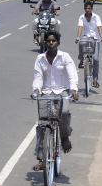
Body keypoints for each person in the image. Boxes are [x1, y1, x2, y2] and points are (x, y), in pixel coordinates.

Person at [31, 31, 78, 171]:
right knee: (42, 125)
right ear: (45, 42)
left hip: (62, 91)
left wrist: (74, 89)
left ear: (58, 42)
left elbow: (72, 74)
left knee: (63, 113)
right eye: (49, 41)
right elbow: (38, 77)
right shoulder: (40, 59)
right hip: (46, 93)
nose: (51, 43)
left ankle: (64, 137)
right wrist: (36, 90)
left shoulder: (65, 57)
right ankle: (41, 158)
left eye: (54, 41)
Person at [75, 2, 102, 88]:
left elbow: (99, 27)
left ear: (92, 9)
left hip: (96, 39)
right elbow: (80, 27)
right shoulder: (81, 17)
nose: (87, 10)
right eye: (86, 8)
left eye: (89, 8)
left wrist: (101, 37)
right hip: (86, 37)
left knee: (95, 59)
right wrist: (78, 37)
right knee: (81, 42)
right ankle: (81, 60)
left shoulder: (96, 17)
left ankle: (95, 79)